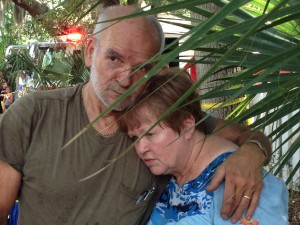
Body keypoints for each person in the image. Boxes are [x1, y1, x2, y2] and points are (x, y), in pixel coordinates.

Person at [0, 5, 271, 225]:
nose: (127, 79)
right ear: (91, 52)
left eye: (143, 68)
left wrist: (251, 154)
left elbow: (246, 135)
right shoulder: (35, 114)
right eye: (115, 58)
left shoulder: (163, 121)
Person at [118, 70, 289, 225]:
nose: (141, 149)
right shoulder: (175, 172)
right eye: (134, 138)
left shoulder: (239, 179)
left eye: (149, 134)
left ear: (187, 125)